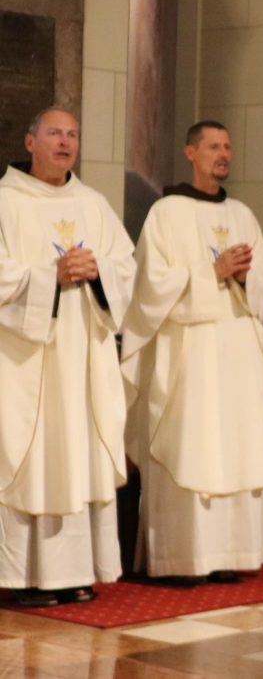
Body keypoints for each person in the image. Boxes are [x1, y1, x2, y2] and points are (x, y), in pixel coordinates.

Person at [121, 121, 263, 584]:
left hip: (237, 349)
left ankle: (232, 553)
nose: (223, 153)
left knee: (236, 444)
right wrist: (212, 271)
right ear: (190, 152)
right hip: (190, 352)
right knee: (192, 442)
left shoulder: (243, 215)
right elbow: (149, 284)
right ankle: (183, 558)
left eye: (227, 146)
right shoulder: (166, 213)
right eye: (213, 146)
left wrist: (247, 277)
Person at [0, 108, 137, 606]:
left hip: (82, 357)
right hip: (24, 360)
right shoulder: (5, 201)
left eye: (73, 134)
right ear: (29, 142)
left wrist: (98, 272)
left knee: (78, 454)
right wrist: (48, 277)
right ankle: (20, 578)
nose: (65, 142)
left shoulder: (93, 204)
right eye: (54, 133)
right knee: (29, 457)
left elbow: (127, 267)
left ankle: (75, 572)